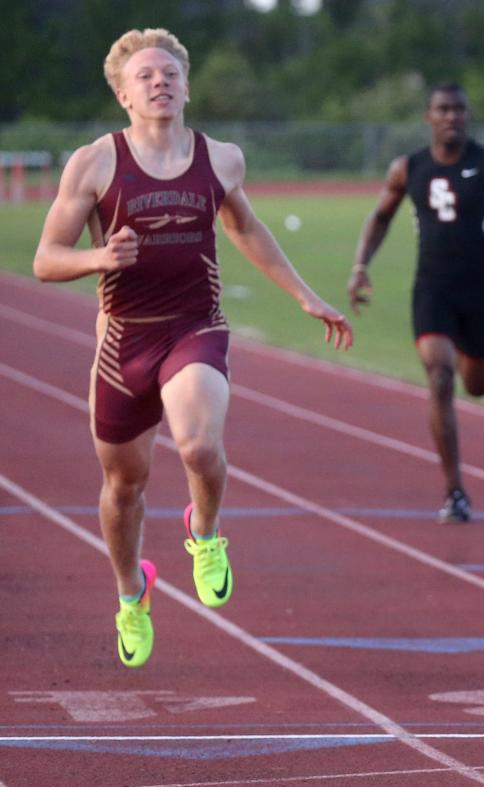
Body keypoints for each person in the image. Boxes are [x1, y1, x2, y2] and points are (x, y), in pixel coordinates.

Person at [32, 28, 353, 669]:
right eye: (146, 76)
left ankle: (203, 535)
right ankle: (132, 595)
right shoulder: (95, 162)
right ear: (124, 93)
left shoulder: (222, 158)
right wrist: (100, 255)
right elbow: (45, 259)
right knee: (125, 486)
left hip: (193, 327)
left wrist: (304, 295)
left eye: (169, 73)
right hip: (123, 340)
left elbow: (247, 229)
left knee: (199, 445)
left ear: (185, 85)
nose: (160, 82)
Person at [348, 82, 484, 523]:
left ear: (467, 116)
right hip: (431, 290)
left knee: (477, 384)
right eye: (443, 110)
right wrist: (360, 266)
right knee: (440, 377)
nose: (452, 117)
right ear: (429, 116)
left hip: (477, 293)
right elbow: (379, 217)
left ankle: (456, 482)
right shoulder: (407, 168)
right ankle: (455, 490)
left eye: (459, 110)